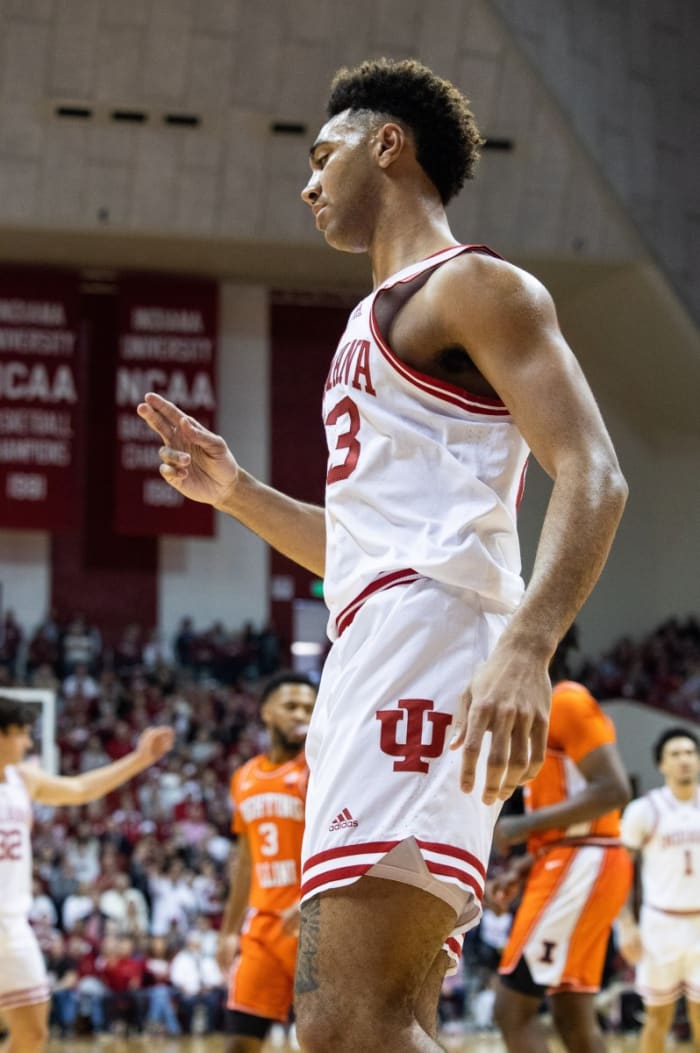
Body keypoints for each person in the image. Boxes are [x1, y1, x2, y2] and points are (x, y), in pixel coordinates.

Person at [137, 56, 627, 1053]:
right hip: (378, 630)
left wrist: (528, 647)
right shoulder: (368, 323)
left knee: (341, 1025)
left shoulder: (473, 285)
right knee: (383, 1019)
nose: (308, 183)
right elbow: (355, 546)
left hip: (433, 638)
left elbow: (593, 473)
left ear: (387, 145)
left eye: (323, 157)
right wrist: (234, 492)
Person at [0, 693, 173, 1053]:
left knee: (32, 1033)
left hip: (12, 926)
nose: (30, 742)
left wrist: (139, 758)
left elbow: (80, 789)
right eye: (22, 733)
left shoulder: (22, 779)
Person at [489, 652, 632, 1052]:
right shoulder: (535, 715)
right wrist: (526, 862)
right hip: (574, 858)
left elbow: (614, 790)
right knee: (571, 1014)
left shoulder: (566, 699)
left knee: (510, 1010)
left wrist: (523, 826)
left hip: (583, 860)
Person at [217, 672, 317, 1053]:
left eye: (308, 707)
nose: (301, 714)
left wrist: (311, 896)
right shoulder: (245, 777)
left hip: (313, 923)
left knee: (324, 1039)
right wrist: (229, 930)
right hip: (262, 927)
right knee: (239, 1041)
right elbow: (246, 861)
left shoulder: (319, 771)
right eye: (290, 706)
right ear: (267, 713)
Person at [617, 727, 700, 1052]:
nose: (684, 760)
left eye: (690, 753)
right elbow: (620, 870)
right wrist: (625, 925)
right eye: (676, 754)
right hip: (660, 925)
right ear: (661, 764)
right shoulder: (643, 810)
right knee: (657, 1016)